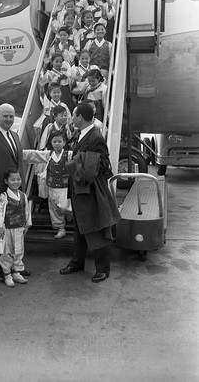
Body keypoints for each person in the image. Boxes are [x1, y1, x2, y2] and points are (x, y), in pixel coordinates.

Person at [59, 103, 121, 282]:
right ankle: (77, 262)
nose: (71, 118)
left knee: (96, 229)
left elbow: (103, 163)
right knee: (79, 230)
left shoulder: (95, 137)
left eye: (73, 115)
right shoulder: (81, 134)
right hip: (80, 191)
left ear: (80, 118)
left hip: (92, 191)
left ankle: (103, 269)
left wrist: (78, 162)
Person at [0, 103, 30, 282]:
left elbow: (19, 164)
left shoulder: (15, 135)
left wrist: (21, 188)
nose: (8, 119)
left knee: (15, 232)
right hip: (0, 193)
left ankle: (15, 267)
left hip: (15, 192)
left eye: (11, 116)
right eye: (5, 116)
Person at [24, 132, 73, 239]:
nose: (57, 144)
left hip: (65, 187)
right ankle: (60, 228)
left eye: (59, 141)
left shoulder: (69, 154)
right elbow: (34, 154)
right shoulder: (49, 154)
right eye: (54, 141)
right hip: (51, 187)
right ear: (51, 143)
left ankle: (69, 216)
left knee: (65, 207)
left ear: (64, 142)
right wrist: (19, 152)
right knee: (54, 208)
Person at [0, 168, 32, 287]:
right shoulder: (4, 196)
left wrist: (27, 224)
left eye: (18, 179)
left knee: (18, 250)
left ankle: (16, 271)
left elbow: (27, 210)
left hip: (19, 228)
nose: (16, 182)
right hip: (7, 229)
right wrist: (0, 226)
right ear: (6, 181)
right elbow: (0, 212)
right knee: (7, 251)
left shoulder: (23, 195)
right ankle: (7, 274)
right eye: (12, 180)